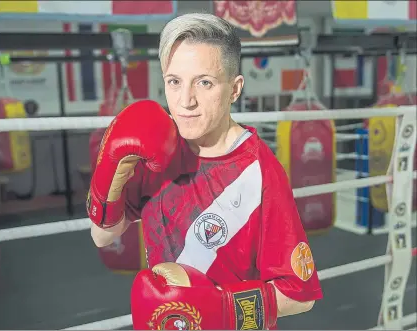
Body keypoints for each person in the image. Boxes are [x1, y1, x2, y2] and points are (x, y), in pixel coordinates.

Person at [87, 12, 323, 330]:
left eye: (205, 83)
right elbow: (103, 236)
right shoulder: (154, 150)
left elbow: (299, 295)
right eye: (174, 82)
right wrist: (108, 176)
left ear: (234, 89)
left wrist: (220, 308)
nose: (186, 101)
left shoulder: (260, 171)